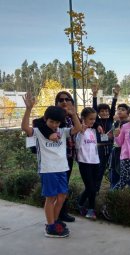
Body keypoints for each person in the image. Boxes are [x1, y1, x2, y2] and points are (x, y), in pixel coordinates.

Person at [21, 92, 82, 238]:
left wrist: (73, 115)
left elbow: (78, 128)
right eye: (51, 122)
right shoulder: (38, 132)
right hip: (48, 170)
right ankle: (50, 226)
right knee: (51, 198)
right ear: (45, 120)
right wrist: (28, 109)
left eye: (57, 123)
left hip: (62, 168)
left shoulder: (62, 131)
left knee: (62, 197)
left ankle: (54, 221)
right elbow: (25, 127)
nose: (54, 125)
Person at [32, 91, 77, 223]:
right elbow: (38, 123)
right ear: (56, 102)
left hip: (66, 157)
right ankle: (55, 219)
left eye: (67, 99)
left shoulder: (71, 115)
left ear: (71, 102)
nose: (64, 102)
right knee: (52, 194)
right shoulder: (52, 115)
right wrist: (48, 134)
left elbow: (78, 127)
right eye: (61, 99)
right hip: (50, 160)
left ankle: (60, 214)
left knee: (63, 190)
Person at [92, 84, 120, 192]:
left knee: (113, 168)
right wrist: (94, 95)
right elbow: (94, 108)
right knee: (100, 169)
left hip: (110, 146)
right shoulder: (97, 121)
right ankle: (96, 189)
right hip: (100, 148)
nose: (105, 113)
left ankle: (113, 188)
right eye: (102, 111)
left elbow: (113, 107)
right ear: (98, 113)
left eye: (106, 111)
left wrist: (115, 96)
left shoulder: (110, 120)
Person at [75, 107, 99, 220]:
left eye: (94, 119)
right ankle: (90, 210)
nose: (93, 121)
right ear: (83, 118)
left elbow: (93, 147)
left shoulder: (93, 131)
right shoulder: (79, 131)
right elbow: (77, 146)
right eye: (91, 119)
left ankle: (80, 203)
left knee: (92, 187)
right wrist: (81, 132)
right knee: (91, 188)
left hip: (95, 162)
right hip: (84, 163)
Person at [108, 103, 129, 188]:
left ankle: (117, 191)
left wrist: (118, 122)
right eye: (119, 109)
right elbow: (110, 135)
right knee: (113, 172)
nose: (120, 111)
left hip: (123, 152)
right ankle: (113, 191)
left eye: (123, 110)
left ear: (128, 113)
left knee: (120, 171)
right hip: (115, 151)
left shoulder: (127, 124)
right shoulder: (116, 123)